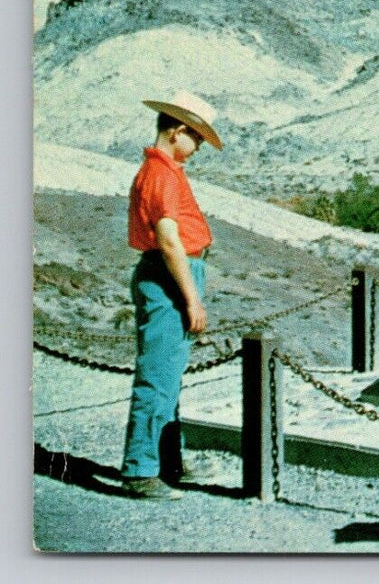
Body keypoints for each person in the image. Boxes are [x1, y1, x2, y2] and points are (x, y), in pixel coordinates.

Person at [118, 90, 224, 500]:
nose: (197, 148)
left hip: (172, 274)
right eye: (196, 138)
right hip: (170, 276)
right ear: (179, 130)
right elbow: (168, 238)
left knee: (169, 376)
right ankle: (140, 470)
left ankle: (165, 462)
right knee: (158, 378)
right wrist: (192, 298)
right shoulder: (161, 173)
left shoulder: (165, 170)